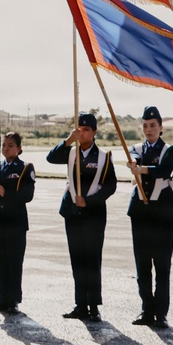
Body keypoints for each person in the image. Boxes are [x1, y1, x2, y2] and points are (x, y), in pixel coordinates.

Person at [46, 113, 116, 322]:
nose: (82, 133)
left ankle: (93, 305)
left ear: (94, 133)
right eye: (79, 129)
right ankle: (80, 304)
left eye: (86, 130)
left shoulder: (103, 157)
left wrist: (90, 200)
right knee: (77, 258)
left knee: (92, 259)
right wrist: (68, 140)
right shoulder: (70, 152)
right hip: (73, 213)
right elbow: (51, 158)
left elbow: (111, 186)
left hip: (93, 214)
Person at [126, 106, 173, 330]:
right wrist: (135, 164)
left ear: (161, 127)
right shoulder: (136, 148)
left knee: (162, 265)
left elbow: (164, 170)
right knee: (143, 264)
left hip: (163, 214)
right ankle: (147, 309)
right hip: (140, 213)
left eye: (153, 125)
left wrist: (143, 170)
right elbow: (134, 157)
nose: (149, 129)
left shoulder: (170, 149)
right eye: (145, 126)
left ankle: (161, 312)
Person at [0, 132, 35, 315]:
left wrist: (7, 193)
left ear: (20, 148)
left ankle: (13, 299)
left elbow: (27, 195)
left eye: (11, 145)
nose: (6, 148)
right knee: (0, 261)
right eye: (4, 145)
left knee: (14, 261)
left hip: (16, 223)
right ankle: (1, 298)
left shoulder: (25, 168)